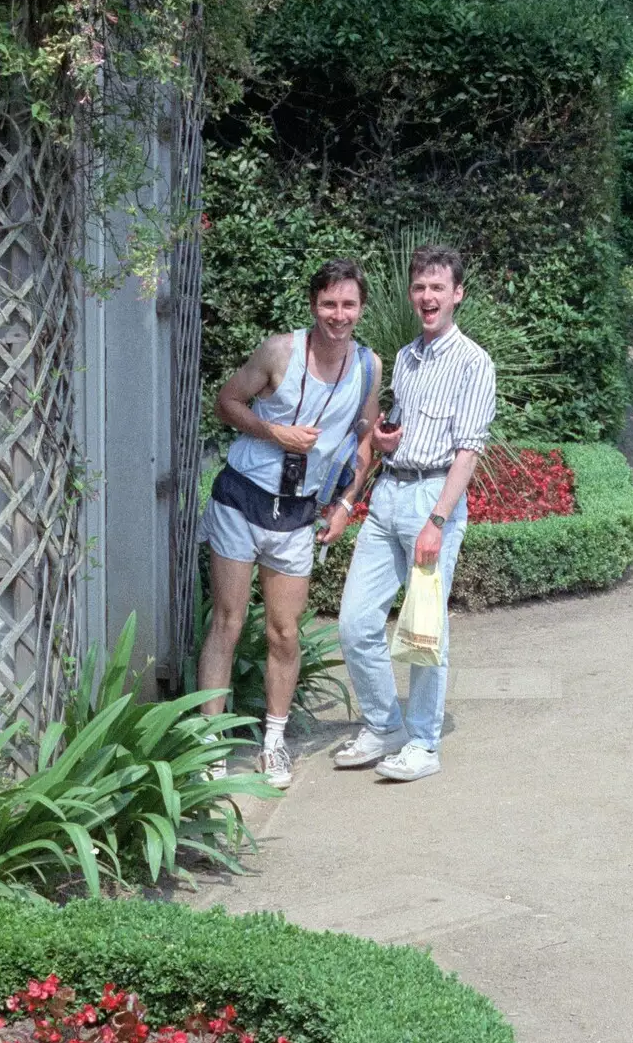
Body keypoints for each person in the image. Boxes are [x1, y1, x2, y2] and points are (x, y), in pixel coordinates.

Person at [198, 259, 381, 788]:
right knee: (228, 622)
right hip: (242, 499)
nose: (338, 315)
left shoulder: (369, 366)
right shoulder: (280, 351)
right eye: (329, 304)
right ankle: (207, 745)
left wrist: (346, 503)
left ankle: (272, 745)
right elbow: (226, 402)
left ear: (360, 309)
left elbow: (365, 437)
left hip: (298, 512)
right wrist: (274, 434)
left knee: (284, 631)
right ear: (313, 305)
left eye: (348, 305)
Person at [334, 245, 496, 782]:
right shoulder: (404, 357)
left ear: (457, 294)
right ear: (412, 294)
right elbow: (394, 432)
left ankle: (424, 743)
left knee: (426, 630)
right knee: (356, 622)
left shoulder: (474, 363)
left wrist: (439, 519)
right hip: (388, 496)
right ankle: (385, 726)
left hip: (432, 500)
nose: (428, 298)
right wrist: (382, 439)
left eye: (438, 288)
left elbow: (468, 451)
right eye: (420, 288)